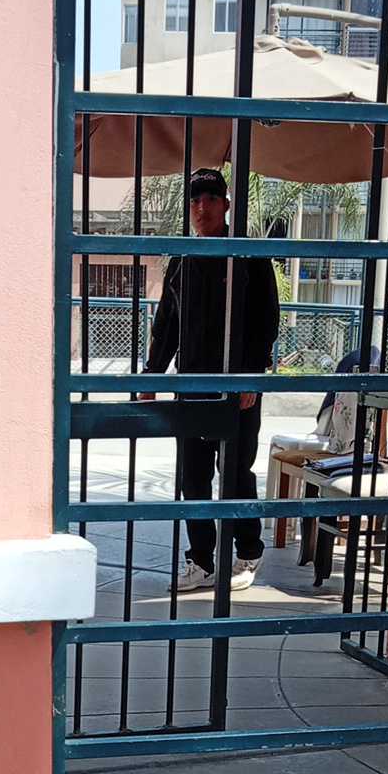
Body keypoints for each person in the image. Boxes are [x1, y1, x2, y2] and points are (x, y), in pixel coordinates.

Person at [138, 167, 280, 594]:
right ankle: (200, 561)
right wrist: (152, 373)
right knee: (194, 477)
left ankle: (248, 552)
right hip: (191, 385)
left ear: (226, 205)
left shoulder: (249, 256)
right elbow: (166, 323)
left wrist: (251, 378)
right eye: (196, 200)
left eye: (212, 199)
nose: (203, 208)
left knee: (235, 472)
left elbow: (266, 321)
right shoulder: (182, 259)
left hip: (237, 387)